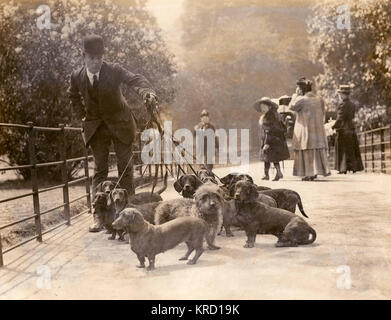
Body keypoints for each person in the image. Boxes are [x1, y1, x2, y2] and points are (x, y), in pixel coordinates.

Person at [68, 34, 157, 232]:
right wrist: (82, 117)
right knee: (100, 170)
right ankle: (98, 216)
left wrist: (146, 93)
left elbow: (135, 80)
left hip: (121, 124)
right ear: (84, 57)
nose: (96, 62)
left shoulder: (114, 70)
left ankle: (130, 216)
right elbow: (73, 96)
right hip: (96, 128)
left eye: (99, 58)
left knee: (125, 168)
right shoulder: (77, 76)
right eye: (92, 58)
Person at [288, 77, 330, 181]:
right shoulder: (319, 99)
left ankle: (309, 173)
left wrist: (295, 95)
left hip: (305, 129)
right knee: (315, 150)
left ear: (301, 89)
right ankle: (315, 172)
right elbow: (323, 113)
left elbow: (291, 107)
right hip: (318, 130)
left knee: (306, 149)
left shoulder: (301, 100)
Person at [253, 97, 290, 181]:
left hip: (270, 140)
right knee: (272, 157)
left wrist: (267, 143)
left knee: (268, 157)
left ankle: (270, 174)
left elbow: (268, 131)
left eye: (264, 107)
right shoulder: (275, 115)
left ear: (269, 107)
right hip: (276, 140)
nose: (262, 109)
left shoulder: (268, 117)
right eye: (261, 107)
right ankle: (276, 173)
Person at [332, 85, 364, 174]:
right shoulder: (352, 104)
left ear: (343, 95)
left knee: (342, 148)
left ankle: (343, 168)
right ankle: (353, 167)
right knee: (351, 148)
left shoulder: (342, 105)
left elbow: (340, 118)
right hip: (351, 128)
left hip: (343, 129)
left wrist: (332, 126)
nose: (339, 95)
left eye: (340, 94)